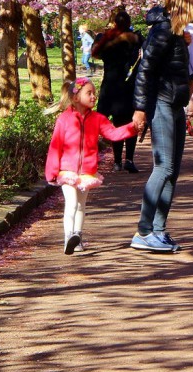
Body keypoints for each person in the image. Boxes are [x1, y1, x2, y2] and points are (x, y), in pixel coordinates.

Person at [130, 0, 193, 253]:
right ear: (185, 4)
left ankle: (159, 229)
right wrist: (139, 109)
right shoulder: (162, 32)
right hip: (161, 103)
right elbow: (144, 71)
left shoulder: (179, 33)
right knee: (164, 167)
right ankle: (144, 230)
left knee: (173, 171)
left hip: (175, 103)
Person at [45, 77, 138, 254]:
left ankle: (77, 238)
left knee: (81, 205)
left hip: (87, 172)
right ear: (76, 97)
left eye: (95, 93)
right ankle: (68, 238)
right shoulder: (64, 119)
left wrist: (132, 128)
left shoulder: (98, 119)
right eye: (89, 93)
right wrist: (52, 171)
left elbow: (113, 133)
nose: (94, 96)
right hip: (67, 171)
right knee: (71, 204)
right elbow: (55, 146)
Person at [92, 9, 142, 173]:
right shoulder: (136, 38)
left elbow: (95, 53)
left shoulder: (107, 38)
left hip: (110, 85)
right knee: (128, 123)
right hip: (129, 85)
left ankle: (117, 161)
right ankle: (129, 159)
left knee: (113, 123)